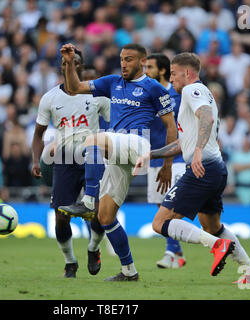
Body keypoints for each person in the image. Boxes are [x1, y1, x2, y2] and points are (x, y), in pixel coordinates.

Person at [134, 52, 250, 284]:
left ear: (187, 73)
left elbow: (206, 118)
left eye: (173, 74)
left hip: (200, 169)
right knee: (213, 226)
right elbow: (181, 143)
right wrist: (151, 154)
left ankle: (217, 246)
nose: (171, 79)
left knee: (159, 223)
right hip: (215, 170)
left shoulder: (191, 90)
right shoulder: (201, 93)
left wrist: (196, 152)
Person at [58, 43, 176, 281]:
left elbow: (171, 127)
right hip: (116, 150)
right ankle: (129, 272)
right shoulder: (112, 82)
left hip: (137, 143)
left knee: (92, 140)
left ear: (142, 62)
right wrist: (70, 63)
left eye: (129, 59)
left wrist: (167, 165)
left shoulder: (154, 88)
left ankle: (88, 200)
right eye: (122, 59)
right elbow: (74, 87)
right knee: (106, 217)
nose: (123, 63)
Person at [31, 49, 111, 278]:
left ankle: (93, 249)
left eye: (77, 62)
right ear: (62, 67)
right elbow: (38, 134)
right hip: (64, 159)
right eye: (68, 62)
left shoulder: (97, 94)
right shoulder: (50, 98)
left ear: (82, 67)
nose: (73, 66)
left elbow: (115, 122)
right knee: (60, 215)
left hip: (92, 157)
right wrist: (36, 160)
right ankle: (70, 261)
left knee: (99, 213)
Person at [144, 53, 186, 269]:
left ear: (162, 70)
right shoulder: (145, 96)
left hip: (177, 158)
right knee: (161, 206)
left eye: (149, 67)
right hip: (154, 159)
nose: (145, 71)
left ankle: (170, 253)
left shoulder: (177, 94)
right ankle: (177, 252)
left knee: (171, 206)